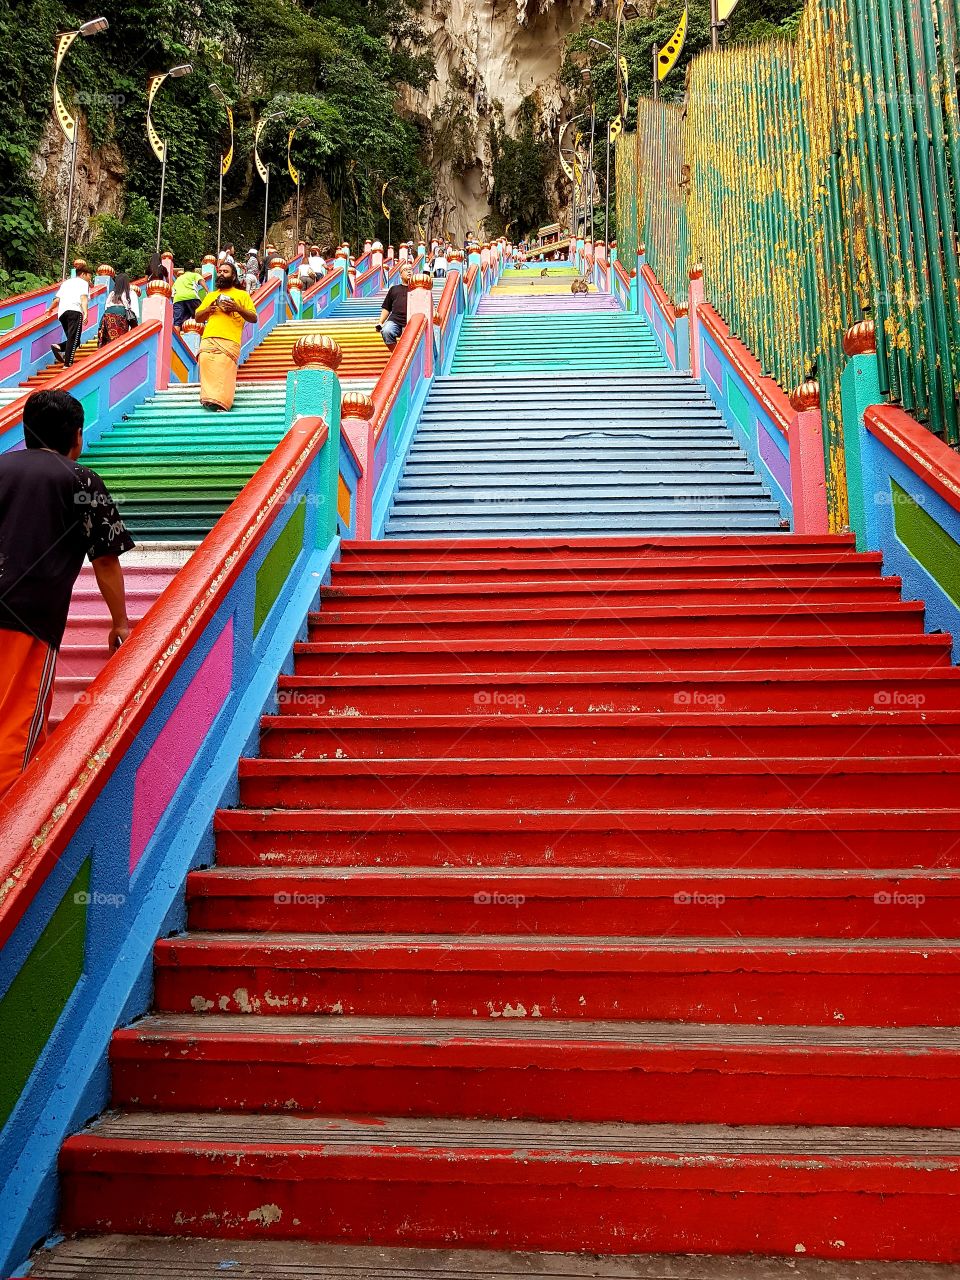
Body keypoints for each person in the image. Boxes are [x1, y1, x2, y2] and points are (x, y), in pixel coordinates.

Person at [0, 389, 133, 798]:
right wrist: (120, 622)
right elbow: (106, 560)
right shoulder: (81, 481)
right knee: (16, 723)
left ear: (25, 431)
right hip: (28, 618)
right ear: (77, 435)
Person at [194, 260, 258, 411]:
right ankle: (209, 398)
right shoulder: (211, 296)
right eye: (220, 271)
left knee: (224, 370)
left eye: (226, 272)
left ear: (234, 276)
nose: (222, 274)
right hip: (209, 337)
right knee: (205, 363)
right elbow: (197, 317)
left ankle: (223, 402)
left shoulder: (242, 295)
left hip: (230, 339)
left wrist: (237, 308)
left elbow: (253, 318)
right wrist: (208, 309)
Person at [47, 266, 93, 368]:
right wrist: (86, 313)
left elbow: (57, 299)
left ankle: (58, 346)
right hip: (75, 311)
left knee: (75, 340)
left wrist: (50, 309)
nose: (90, 278)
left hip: (62, 314)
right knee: (74, 338)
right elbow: (83, 298)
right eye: (89, 276)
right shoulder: (83, 283)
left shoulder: (66, 283)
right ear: (83, 274)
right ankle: (67, 364)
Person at [377, 263, 413, 348]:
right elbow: (386, 307)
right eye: (405, 270)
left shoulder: (417, 288)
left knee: (409, 340)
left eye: (410, 269)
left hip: (411, 321)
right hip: (395, 320)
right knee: (386, 331)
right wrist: (380, 322)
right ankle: (396, 354)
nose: (409, 271)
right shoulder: (394, 289)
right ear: (400, 275)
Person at [98, 272, 138, 347]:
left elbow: (106, 307)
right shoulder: (130, 293)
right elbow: (134, 311)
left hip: (108, 316)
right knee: (120, 340)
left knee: (109, 340)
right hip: (122, 316)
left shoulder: (112, 293)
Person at [172, 260, 206, 328]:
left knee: (177, 323)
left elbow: (173, 292)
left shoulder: (178, 279)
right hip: (192, 297)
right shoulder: (195, 275)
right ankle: (201, 336)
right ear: (193, 270)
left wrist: (174, 302)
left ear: (184, 270)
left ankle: (177, 338)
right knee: (200, 317)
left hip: (178, 299)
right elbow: (201, 281)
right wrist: (207, 291)